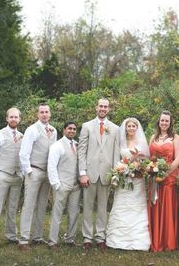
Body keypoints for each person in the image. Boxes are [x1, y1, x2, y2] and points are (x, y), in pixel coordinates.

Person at [78, 98, 120, 250]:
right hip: (90, 173)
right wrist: (82, 173)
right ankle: (87, 237)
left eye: (105, 107)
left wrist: (116, 173)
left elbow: (116, 152)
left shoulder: (115, 128)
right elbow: (81, 151)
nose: (103, 108)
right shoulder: (87, 126)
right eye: (100, 106)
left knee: (103, 207)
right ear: (96, 108)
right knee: (88, 206)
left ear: (109, 109)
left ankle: (100, 236)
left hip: (106, 174)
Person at [106, 118, 151, 251]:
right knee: (122, 203)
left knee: (137, 205)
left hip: (137, 179)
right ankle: (118, 239)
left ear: (137, 128)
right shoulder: (121, 141)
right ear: (125, 128)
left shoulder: (141, 142)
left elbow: (145, 160)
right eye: (129, 126)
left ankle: (139, 239)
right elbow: (119, 158)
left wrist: (138, 166)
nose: (131, 128)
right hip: (124, 178)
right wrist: (120, 169)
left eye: (133, 126)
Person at [18, 104, 57, 251]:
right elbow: (24, 152)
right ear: (37, 114)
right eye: (42, 112)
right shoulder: (32, 129)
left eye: (47, 112)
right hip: (34, 170)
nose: (44, 114)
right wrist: (28, 171)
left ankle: (37, 236)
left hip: (47, 173)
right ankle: (23, 239)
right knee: (29, 205)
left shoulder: (54, 130)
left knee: (42, 205)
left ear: (50, 114)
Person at [0, 107, 24, 249]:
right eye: (11, 117)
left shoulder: (22, 135)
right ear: (7, 118)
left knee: (13, 207)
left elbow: (24, 156)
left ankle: (11, 235)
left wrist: (22, 174)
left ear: (19, 119)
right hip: (2, 175)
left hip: (16, 177)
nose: (14, 119)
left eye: (16, 117)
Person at [148, 110, 179, 252]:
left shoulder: (175, 137)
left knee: (167, 206)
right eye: (162, 120)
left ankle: (167, 240)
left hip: (169, 178)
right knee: (155, 204)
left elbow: (178, 158)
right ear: (159, 121)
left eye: (167, 121)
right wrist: (153, 170)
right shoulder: (153, 137)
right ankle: (154, 238)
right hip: (155, 177)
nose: (164, 123)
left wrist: (165, 173)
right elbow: (150, 157)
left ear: (170, 123)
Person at [47, 121, 81, 250]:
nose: (72, 131)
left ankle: (70, 238)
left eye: (74, 129)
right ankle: (52, 241)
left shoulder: (78, 145)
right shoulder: (57, 146)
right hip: (62, 184)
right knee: (57, 213)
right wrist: (56, 184)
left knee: (74, 212)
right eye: (69, 129)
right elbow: (51, 166)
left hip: (76, 186)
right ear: (64, 130)